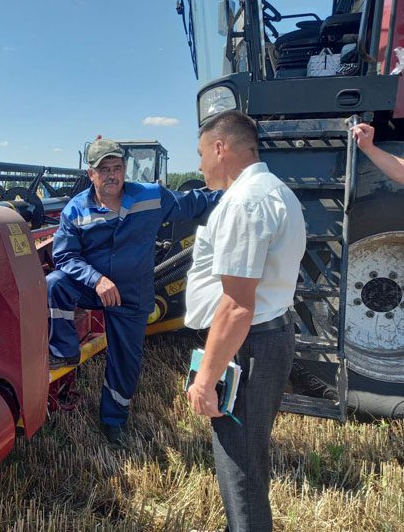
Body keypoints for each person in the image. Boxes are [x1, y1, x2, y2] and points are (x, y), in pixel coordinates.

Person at [47, 137, 221, 445]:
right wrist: (95, 279)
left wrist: (234, 194)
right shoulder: (75, 210)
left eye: (117, 167)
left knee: (126, 361)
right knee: (56, 283)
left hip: (131, 294)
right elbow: (65, 256)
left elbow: (193, 204)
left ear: (125, 168)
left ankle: (113, 421)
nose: (112, 174)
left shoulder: (151, 197)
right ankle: (64, 351)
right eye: (104, 169)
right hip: (94, 288)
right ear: (91, 174)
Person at [185, 110, 306, 532]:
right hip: (262, 339)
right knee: (248, 460)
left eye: (201, 153)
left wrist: (205, 381)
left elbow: (237, 306)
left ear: (220, 147)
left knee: (240, 471)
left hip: (247, 347)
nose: (200, 165)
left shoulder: (245, 202)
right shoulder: (277, 192)